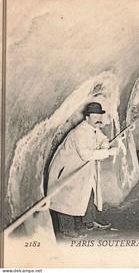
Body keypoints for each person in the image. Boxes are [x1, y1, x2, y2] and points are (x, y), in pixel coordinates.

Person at [48, 102, 119, 239]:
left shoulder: (92, 128)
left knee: (87, 192)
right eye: (95, 116)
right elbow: (85, 155)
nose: (98, 119)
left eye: (100, 115)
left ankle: (88, 222)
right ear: (87, 117)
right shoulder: (80, 132)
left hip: (81, 168)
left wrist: (104, 145)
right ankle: (67, 229)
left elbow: (102, 138)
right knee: (65, 199)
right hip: (67, 170)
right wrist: (108, 152)